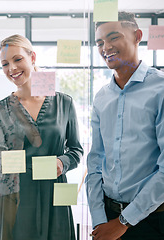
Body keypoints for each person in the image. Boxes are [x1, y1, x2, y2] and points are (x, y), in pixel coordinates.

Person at [0, 34, 83, 240]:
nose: (12, 69)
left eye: (17, 59)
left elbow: (76, 150)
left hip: (53, 192)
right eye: (5, 64)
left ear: (32, 57)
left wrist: (63, 162)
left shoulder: (64, 103)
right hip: (13, 194)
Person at [86, 11, 164, 240]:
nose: (105, 47)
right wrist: (100, 219)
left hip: (153, 220)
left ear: (137, 35)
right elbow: (95, 162)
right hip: (108, 219)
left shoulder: (160, 90)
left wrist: (124, 221)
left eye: (113, 37)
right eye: (99, 42)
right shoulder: (101, 97)